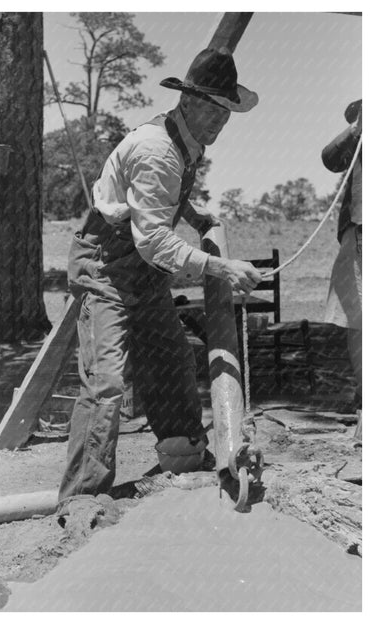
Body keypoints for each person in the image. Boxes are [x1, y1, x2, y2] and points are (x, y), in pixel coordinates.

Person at [57, 48, 262, 523]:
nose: (218, 121)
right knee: (107, 382)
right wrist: (221, 267)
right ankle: (81, 502)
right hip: (107, 267)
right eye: (211, 108)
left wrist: (193, 215)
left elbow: (159, 200)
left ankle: (184, 466)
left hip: (143, 273)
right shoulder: (156, 148)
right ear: (187, 102)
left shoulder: (187, 142)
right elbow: (152, 240)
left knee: (170, 358)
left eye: (225, 112)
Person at [322, 99, 362, 441]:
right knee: (358, 322)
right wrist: (356, 128)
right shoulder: (358, 139)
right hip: (359, 231)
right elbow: (329, 159)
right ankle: (364, 398)